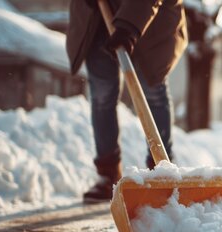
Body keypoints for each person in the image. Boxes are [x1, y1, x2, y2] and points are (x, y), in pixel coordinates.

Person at [66, 0, 187, 203]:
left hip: (151, 19)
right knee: (102, 96)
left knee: (152, 91)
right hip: (96, 17)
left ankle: (161, 169)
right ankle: (108, 173)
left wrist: (129, 27)